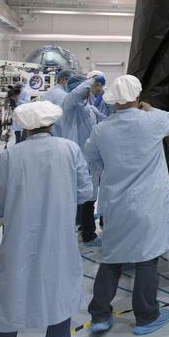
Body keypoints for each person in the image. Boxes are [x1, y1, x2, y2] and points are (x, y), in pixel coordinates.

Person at [0, 100, 94, 337]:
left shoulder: (9, 157)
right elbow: (85, 192)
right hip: (60, 233)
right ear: (52, 122)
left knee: (13, 287)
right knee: (59, 282)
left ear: (23, 125)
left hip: (20, 235)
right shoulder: (69, 149)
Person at [83, 74, 169, 336]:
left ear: (112, 100)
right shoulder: (151, 121)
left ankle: (100, 315)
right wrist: (149, 108)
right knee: (147, 259)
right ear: (137, 97)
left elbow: (90, 155)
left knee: (112, 258)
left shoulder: (102, 129)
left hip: (117, 203)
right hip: (149, 203)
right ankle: (147, 316)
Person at [60, 73, 106, 245]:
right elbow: (76, 92)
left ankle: (85, 227)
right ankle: (88, 233)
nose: (96, 90)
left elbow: (104, 121)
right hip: (79, 158)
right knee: (87, 198)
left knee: (90, 196)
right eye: (94, 87)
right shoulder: (70, 105)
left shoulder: (88, 107)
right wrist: (94, 80)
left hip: (90, 159)